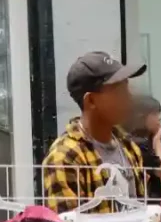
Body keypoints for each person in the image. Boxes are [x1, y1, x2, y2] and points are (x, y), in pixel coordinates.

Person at [43, 52, 147, 213]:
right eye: (119, 90)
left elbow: (142, 213)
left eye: (127, 87)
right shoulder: (65, 157)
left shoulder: (129, 148)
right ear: (91, 100)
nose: (129, 96)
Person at [126, 95, 161, 203]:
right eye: (154, 114)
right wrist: (158, 140)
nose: (159, 118)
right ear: (142, 117)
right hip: (146, 202)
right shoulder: (139, 143)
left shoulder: (139, 139)